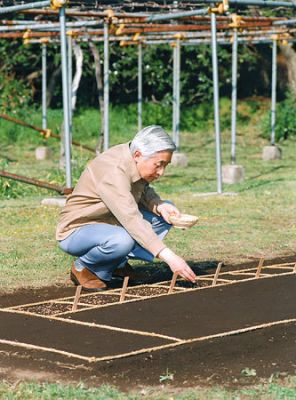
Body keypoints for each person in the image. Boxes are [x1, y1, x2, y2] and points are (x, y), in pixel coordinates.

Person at [56, 125, 196, 291]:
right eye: (158, 165)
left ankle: (117, 263)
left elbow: (141, 188)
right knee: (122, 240)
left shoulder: (133, 156)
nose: (161, 172)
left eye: (166, 165)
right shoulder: (113, 171)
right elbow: (131, 219)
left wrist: (158, 205)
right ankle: (84, 267)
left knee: (166, 213)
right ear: (138, 155)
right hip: (77, 229)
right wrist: (169, 257)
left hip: (110, 221)